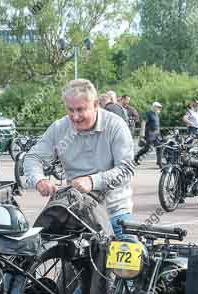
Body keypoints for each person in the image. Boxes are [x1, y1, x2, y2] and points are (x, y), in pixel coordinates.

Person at [23, 79, 135, 238]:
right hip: (76, 212)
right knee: (38, 248)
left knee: (129, 257)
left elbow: (126, 170)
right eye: (70, 110)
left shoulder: (116, 126)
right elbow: (33, 157)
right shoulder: (59, 127)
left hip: (114, 212)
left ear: (96, 104)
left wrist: (92, 181)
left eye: (81, 109)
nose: (75, 117)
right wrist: (39, 180)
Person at [134, 102, 163, 167]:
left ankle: (159, 162)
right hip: (150, 133)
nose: (159, 108)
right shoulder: (148, 113)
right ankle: (136, 157)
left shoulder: (156, 114)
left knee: (160, 147)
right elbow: (143, 122)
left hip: (156, 133)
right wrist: (142, 133)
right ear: (154, 107)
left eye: (159, 107)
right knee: (147, 148)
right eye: (158, 107)